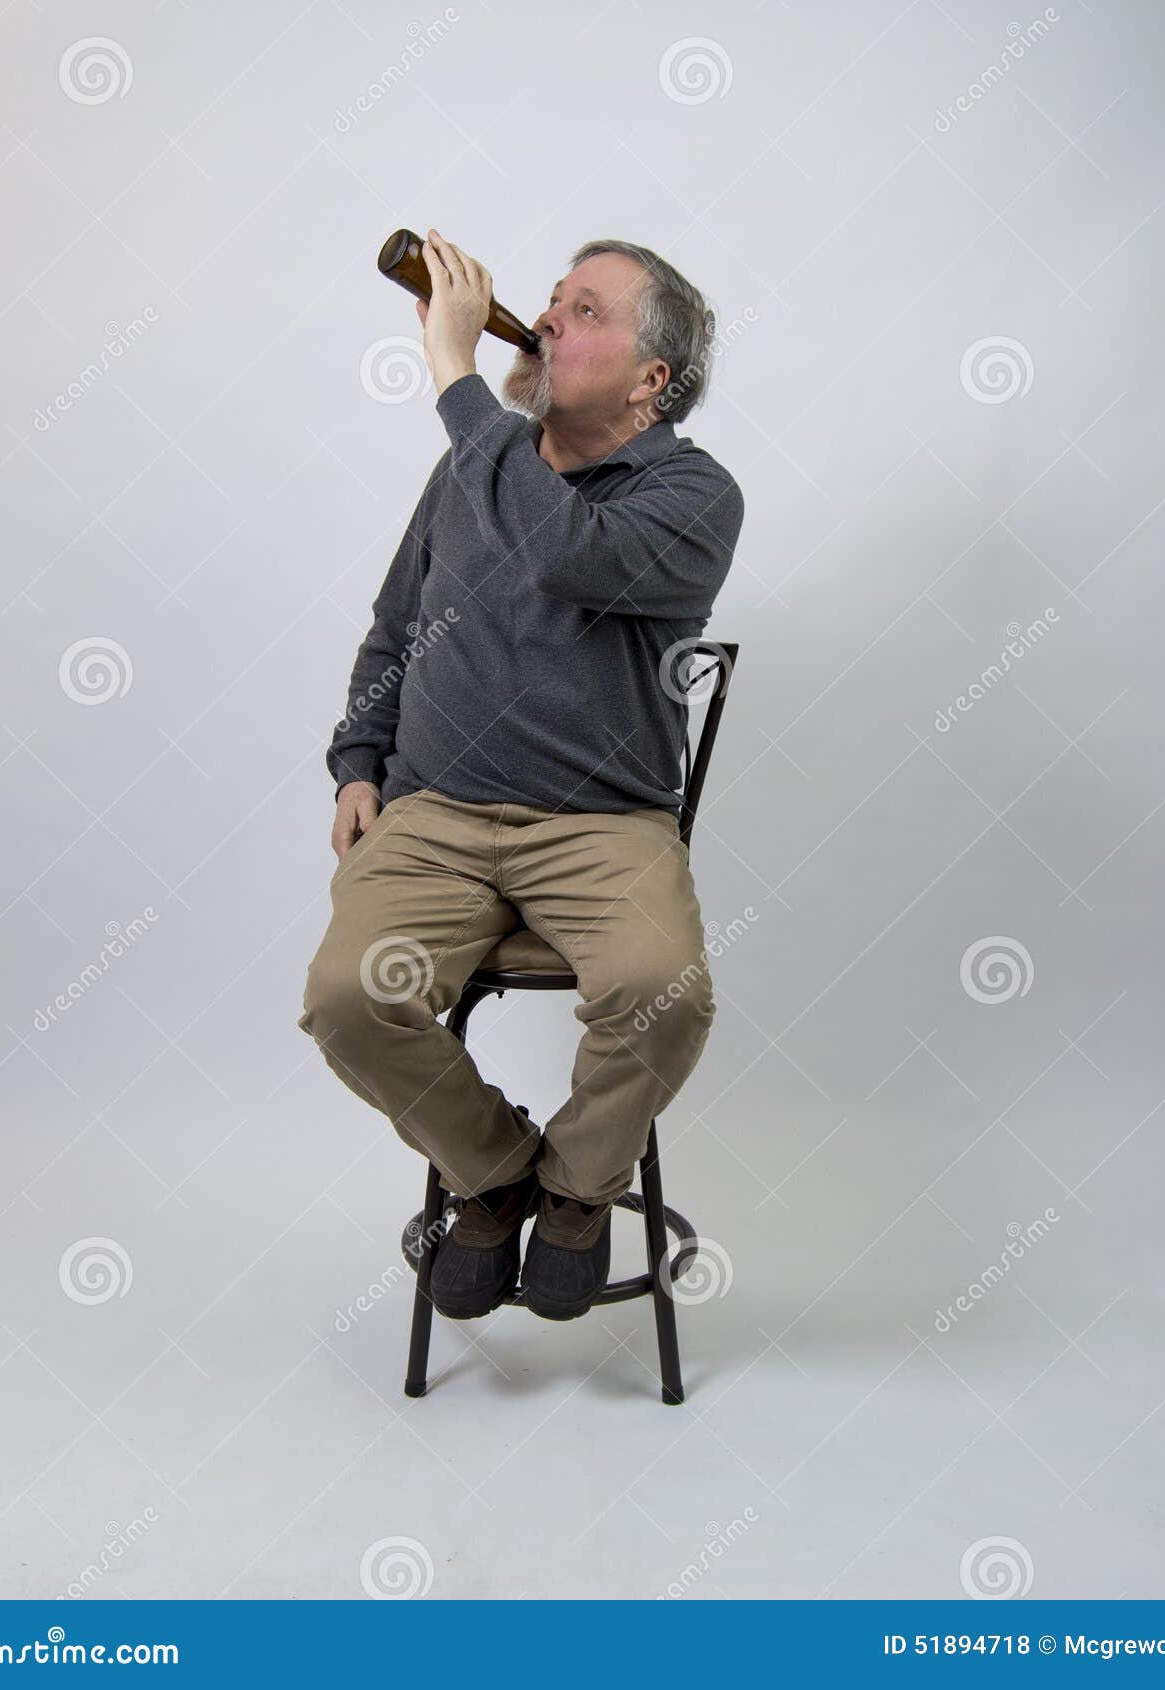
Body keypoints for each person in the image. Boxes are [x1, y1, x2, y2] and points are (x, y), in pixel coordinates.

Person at [298, 227, 744, 1324]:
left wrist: (455, 376)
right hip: (434, 813)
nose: (544, 318)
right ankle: (499, 1175)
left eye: (583, 310)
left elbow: (565, 551)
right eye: (548, 301)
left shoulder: (691, 494)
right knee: (350, 999)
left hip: (604, 826)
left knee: (661, 990)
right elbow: (395, 627)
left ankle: (579, 1189)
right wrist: (357, 762)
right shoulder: (473, 468)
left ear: (653, 379)